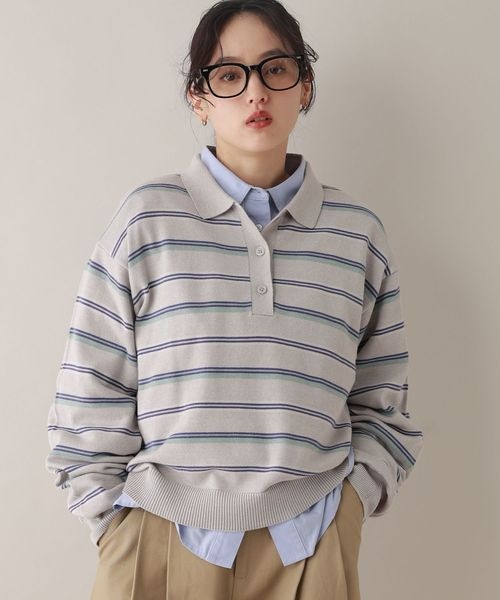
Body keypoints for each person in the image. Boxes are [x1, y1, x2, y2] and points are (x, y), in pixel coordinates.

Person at [45, 1, 424, 598]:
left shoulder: (357, 235)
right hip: (158, 539)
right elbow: (90, 387)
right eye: (229, 74)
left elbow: (383, 403)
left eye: (276, 68)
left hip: (312, 544)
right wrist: (113, 524)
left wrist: (349, 509)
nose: (256, 92)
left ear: (305, 85)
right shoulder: (147, 220)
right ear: (198, 98)